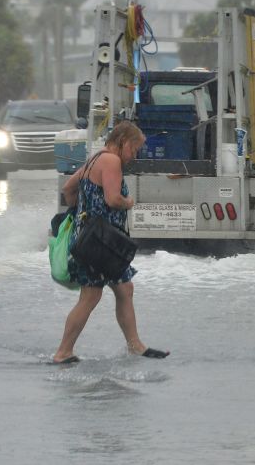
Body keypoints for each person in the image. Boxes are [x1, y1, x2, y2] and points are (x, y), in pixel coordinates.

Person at [51, 121, 169, 364]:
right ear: (123, 141)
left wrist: (81, 210)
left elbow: (68, 188)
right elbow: (113, 199)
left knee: (125, 289)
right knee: (90, 297)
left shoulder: (95, 159)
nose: (134, 155)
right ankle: (63, 352)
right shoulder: (111, 161)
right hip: (100, 245)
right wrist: (129, 201)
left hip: (96, 241)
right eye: (134, 149)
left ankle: (135, 344)